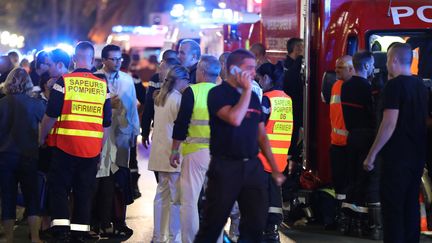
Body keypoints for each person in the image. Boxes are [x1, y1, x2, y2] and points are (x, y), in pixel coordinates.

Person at [194, 49, 285, 242]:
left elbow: (261, 135)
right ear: (233, 69)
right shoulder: (218, 94)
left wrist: (275, 169)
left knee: (255, 224)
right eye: (249, 68)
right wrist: (246, 92)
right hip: (226, 167)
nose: (253, 73)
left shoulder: (252, 97)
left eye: (255, 68)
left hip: (252, 166)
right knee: (213, 224)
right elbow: (234, 118)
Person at [39, 41, 112, 243]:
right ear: (91, 60)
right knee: (83, 192)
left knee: (59, 188)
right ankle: (80, 233)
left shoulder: (64, 82)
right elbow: (106, 123)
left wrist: (41, 137)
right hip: (90, 150)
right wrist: (99, 149)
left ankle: (61, 231)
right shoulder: (102, 86)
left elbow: (50, 116)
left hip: (64, 146)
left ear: (73, 59)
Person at [363, 43, 428, 243]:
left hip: (396, 159)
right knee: (411, 208)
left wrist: (371, 155)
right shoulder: (421, 86)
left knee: (393, 211)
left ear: (394, 60)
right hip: (416, 158)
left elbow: (389, 124)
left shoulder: (394, 86)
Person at [169, 55, 221, 243]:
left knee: (189, 201)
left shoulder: (192, 92)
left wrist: (174, 150)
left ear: (202, 72)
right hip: (220, 155)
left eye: (198, 69)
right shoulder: (225, 92)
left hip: (195, 153)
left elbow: (181, 123)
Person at [95, 44, 139, 237]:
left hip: (122, 136)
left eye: (119, 58)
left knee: (121, 180)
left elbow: (133, 108)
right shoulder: (95, 78)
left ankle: (119, 221)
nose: (117, 62)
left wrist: (135, 132)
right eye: (113, 59)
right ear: (103, 60)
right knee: (103, 180)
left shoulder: (127, 80)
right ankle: (101, 221)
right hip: (102, 137)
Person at [0, 68, 44, 243]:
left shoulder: (1, 104)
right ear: (28, 83)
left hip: (4, 158)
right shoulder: (36, 104)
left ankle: (8, 237)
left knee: (7, 198)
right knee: (32, 197)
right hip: (29, 156)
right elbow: (45, 127)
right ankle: (35, 237)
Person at [148, 65, 190, 243]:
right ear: (180, 80)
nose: (188, 84)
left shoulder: (160, 98)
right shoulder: (179, 99)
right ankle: (174, 238)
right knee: (176, 199)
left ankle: (158, 236)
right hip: (174, 154)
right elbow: (182, 128)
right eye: (187, 80)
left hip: (159, 153)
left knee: (161, 197)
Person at [340, 51, 378, 237]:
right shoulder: (367, 88)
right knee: (364, 180)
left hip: (352, 136)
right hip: (367, 137)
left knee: (352, 178)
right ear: (365, 66)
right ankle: (359, 223)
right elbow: (373, 114)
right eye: (371, 65)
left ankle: (346, 221)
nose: (373, 68)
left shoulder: (345, 87)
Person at [256, 62, 293, 242]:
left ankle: (265, 232)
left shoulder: (266, 99)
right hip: (279, 159)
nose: (259, 82)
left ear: (266, 78)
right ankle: (273, 231)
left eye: (260, 78)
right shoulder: (286, 99)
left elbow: (258, 128)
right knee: (274, 199)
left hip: (262, 158)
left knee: (261, 198)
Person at [328, 55, 354, 233]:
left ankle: (348, 217)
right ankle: (339, 214)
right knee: (339, 183)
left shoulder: (356, 87)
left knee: (350, 184)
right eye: (336, 67)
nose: (336, 71)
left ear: (352, 69)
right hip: (336, 143)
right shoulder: (335, 85)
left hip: (351, 145)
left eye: (340, 68)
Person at [121, 52, 145, 199]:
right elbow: (144, 99)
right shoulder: (134, 79)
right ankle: (132, 188)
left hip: (110, 126)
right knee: (131, 158)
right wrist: (137, 113)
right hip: (128, 124)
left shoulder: (104, 77)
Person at [281, 38, 304, 168]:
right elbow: (293, 80)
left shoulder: (292, 65)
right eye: (302, 47)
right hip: (291, 109)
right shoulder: (288, 66)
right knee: (292, 139)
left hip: (295, 108)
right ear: (297, 49)